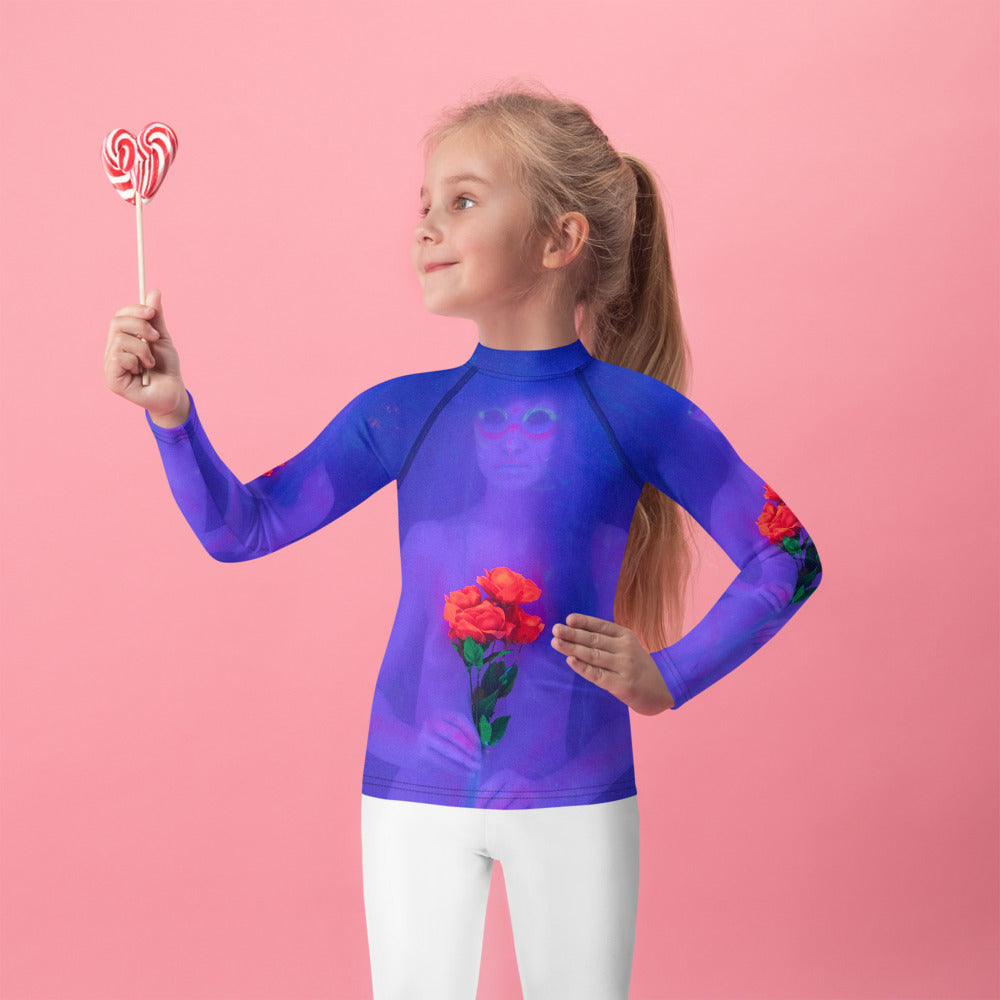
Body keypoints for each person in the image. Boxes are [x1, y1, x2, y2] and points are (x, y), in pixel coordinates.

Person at [104, 86, 821, 1000]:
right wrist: (172, 417)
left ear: (561, 240)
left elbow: (788, 555)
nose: (426, 227)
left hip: (577, 790)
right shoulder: (399, 413)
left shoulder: (641, 415)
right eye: (425, 204)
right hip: (410, 789)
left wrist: (671, 675)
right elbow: (241, 528)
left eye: (463, 200)